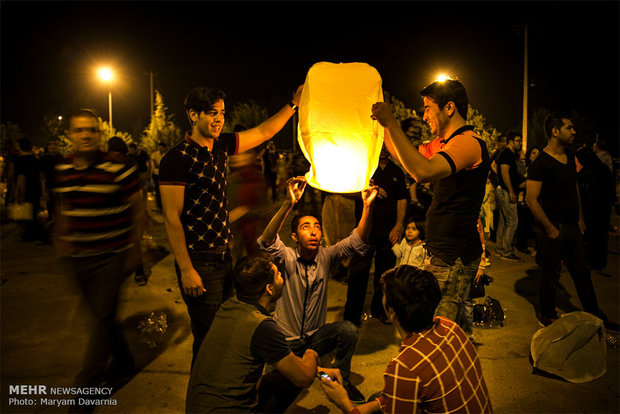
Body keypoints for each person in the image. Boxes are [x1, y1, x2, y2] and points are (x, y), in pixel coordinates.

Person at [159, 85, 303, 365]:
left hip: (224, 256)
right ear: (193, 114)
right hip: (200, 261)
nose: (219, 119)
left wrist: (293, 104)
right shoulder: (176, 159)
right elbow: (171, 217)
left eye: (222, 113)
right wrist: (187, 269)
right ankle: (203, 400)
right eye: (212, 113)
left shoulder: (221, 146)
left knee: (223, 331)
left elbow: (264, 132)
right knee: (208, 337)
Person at [371, 79, 490, 330]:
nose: (423, 116)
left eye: (427, 108)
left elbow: (422, 171)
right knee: (439, 325)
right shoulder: (443, 143)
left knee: (443, 329)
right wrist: (381, 127)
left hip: (454, 255)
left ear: (449, 108)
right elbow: (404, 156)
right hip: (440, 251)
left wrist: (392, 122)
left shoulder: (469, 142)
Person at [258, 176, 378, 404]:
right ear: (294, 237)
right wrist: (288, 203)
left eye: (317, 227)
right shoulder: (286, 257)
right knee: (272, 391)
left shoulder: (326, 256)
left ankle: (341, 378)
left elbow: (357, 240)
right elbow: (266, 241)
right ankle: (315, 373)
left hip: (315, 339)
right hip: (286, 340)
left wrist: (368, 206)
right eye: (306, 227)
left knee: (348, 330)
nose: (313, 232)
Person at [53, 109, 142, 410]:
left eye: (91, 129)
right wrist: (62, 237)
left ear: (99, 134)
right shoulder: (63, 169)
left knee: (101, 320)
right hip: (78, 259)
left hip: (111, 258)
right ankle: (125, 361)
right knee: (103, 319)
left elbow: (137, 208)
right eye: (79, 130)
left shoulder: (119, 168)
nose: (86, 135)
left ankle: (83, 394)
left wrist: (135, 250)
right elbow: (65, 206)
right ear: (70, 136)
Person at [319, 265, 492, 413]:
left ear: (392, 312)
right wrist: (370, 407)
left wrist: (345, 404)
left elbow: (409, 379)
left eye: (384, 294)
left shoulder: (405, 367)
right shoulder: (449, 326)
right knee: (377, 399)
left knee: (377, 397)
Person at [186, 252, 339, 413]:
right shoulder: (262, 326)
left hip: (198, 407)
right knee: (296, 377)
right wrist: (312, 352)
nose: (282, 278)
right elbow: (303, 378)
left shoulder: (228, 307)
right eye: (279, 275)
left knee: (282, 376)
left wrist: (317, 371)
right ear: (269, 289)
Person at [526, 113, 618, 331]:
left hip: (572, 226)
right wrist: (549, 229)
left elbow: (573, 186)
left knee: (582, 273)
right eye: (569, 128)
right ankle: (548, 316)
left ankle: (596, 316)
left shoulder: (569, 155)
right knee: (551, 274)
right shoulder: (540, 163)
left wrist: (580, 218)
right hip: (553, 228)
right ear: (555, 131)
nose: (574, 132)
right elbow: (531, 199)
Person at [344, 145, 408, 326]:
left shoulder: (397, 172)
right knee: (358, 276)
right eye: (380, 146)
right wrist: (373, 190)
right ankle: (351, 317)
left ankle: (380, 310)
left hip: (388, 234)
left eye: (386, 147)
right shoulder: (364, 169)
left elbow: (402, 199)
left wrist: (398, 225)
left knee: (385, 276)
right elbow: (349, 192)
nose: (383, 150)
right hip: (364, 234)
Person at [575, 146, 615, 271]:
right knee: (601, 236)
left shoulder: (587, 173)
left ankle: (591, 261)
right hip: (604, 209)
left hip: (592, 210)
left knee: (591, 236)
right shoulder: (604, 169)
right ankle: (600, 261)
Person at [495, 131, 525, 261]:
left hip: (503, 190)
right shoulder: (507, 154)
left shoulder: (508, 154)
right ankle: (506, 251)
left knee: (504, 221)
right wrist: (511, 191)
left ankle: (500, 248)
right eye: (518, 141)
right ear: (511, 141)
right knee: (512, 221)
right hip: (506, 192)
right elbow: (505, 173)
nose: (520, 143)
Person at [12, 137, 45, 242]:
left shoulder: (20, 160)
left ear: (20, 146)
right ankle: (36, 235)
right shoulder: (35, 159)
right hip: (36, 188)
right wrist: (43, 191)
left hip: (26, 190)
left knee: (25, 213)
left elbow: (21, 178)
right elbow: (41, 176)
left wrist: (18, 192)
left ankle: (28, 235)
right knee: (35, 212)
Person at [515, 146, 540, 254]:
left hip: (536, 199)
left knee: (530, 224)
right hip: (525, 199)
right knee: (523, 223)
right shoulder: (525, 168)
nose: (536, 155)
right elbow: (521, 184)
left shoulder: (540, 168)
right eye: (533, 153)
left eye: (538, 153)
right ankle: (522, 245)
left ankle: (527, 245)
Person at [150, 141, 167, 212]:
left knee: (163, 191)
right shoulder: (154, 154)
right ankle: (158, 207)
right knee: (157, 191)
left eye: (162, 148)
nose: (161, 149)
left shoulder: (165, 155)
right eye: (160, 147)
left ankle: (163, 207)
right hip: (156, 174)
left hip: (163, 174)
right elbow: (156, 164)